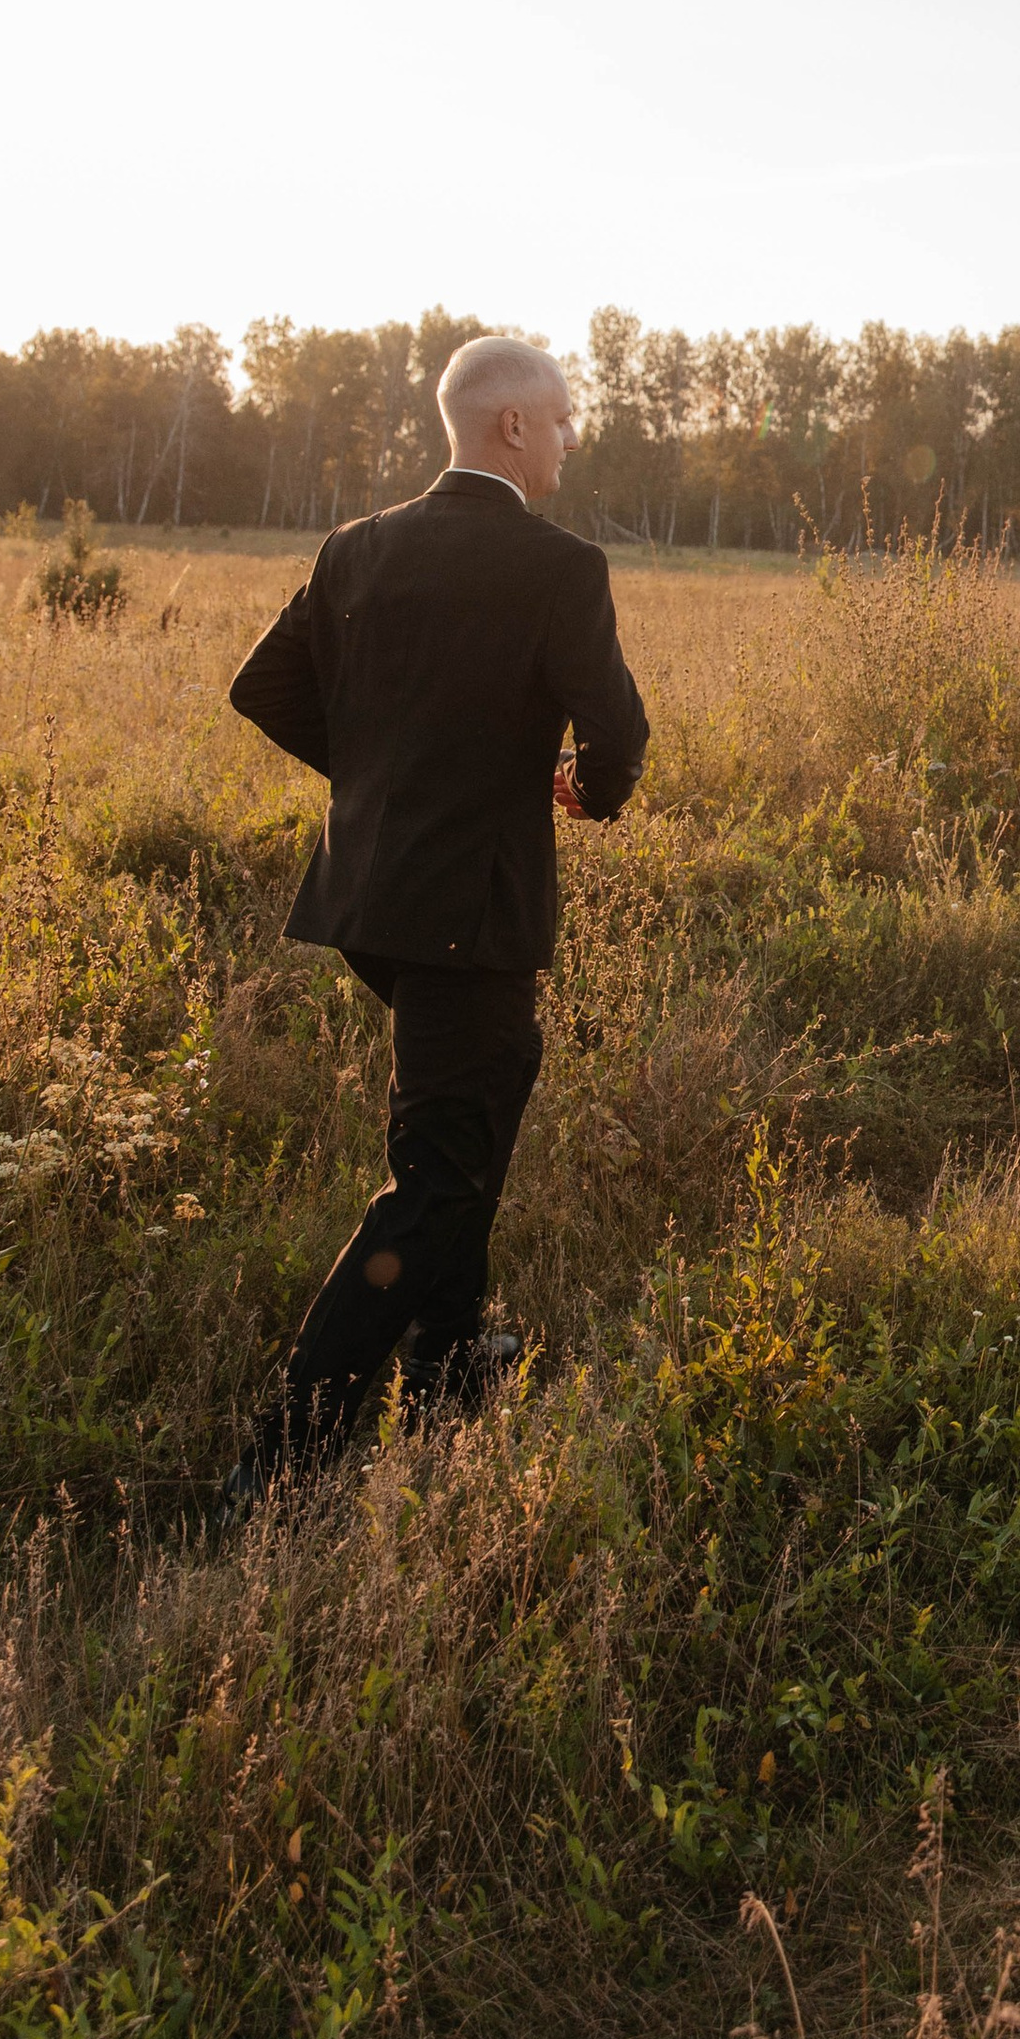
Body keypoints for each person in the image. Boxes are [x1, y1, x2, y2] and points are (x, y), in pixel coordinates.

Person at [223, 337, 648, 1493]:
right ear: (511, 426)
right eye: (561, 419)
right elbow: (618, 735)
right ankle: (283, 1466)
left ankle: (452, 1360)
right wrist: (582, 793)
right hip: (465, 911)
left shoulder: (354, 547)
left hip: (370, 901)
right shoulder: (558, 566)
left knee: (488, 1087)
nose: (570, 437)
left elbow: (261, 686)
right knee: (438, 1173)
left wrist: (376, 782)